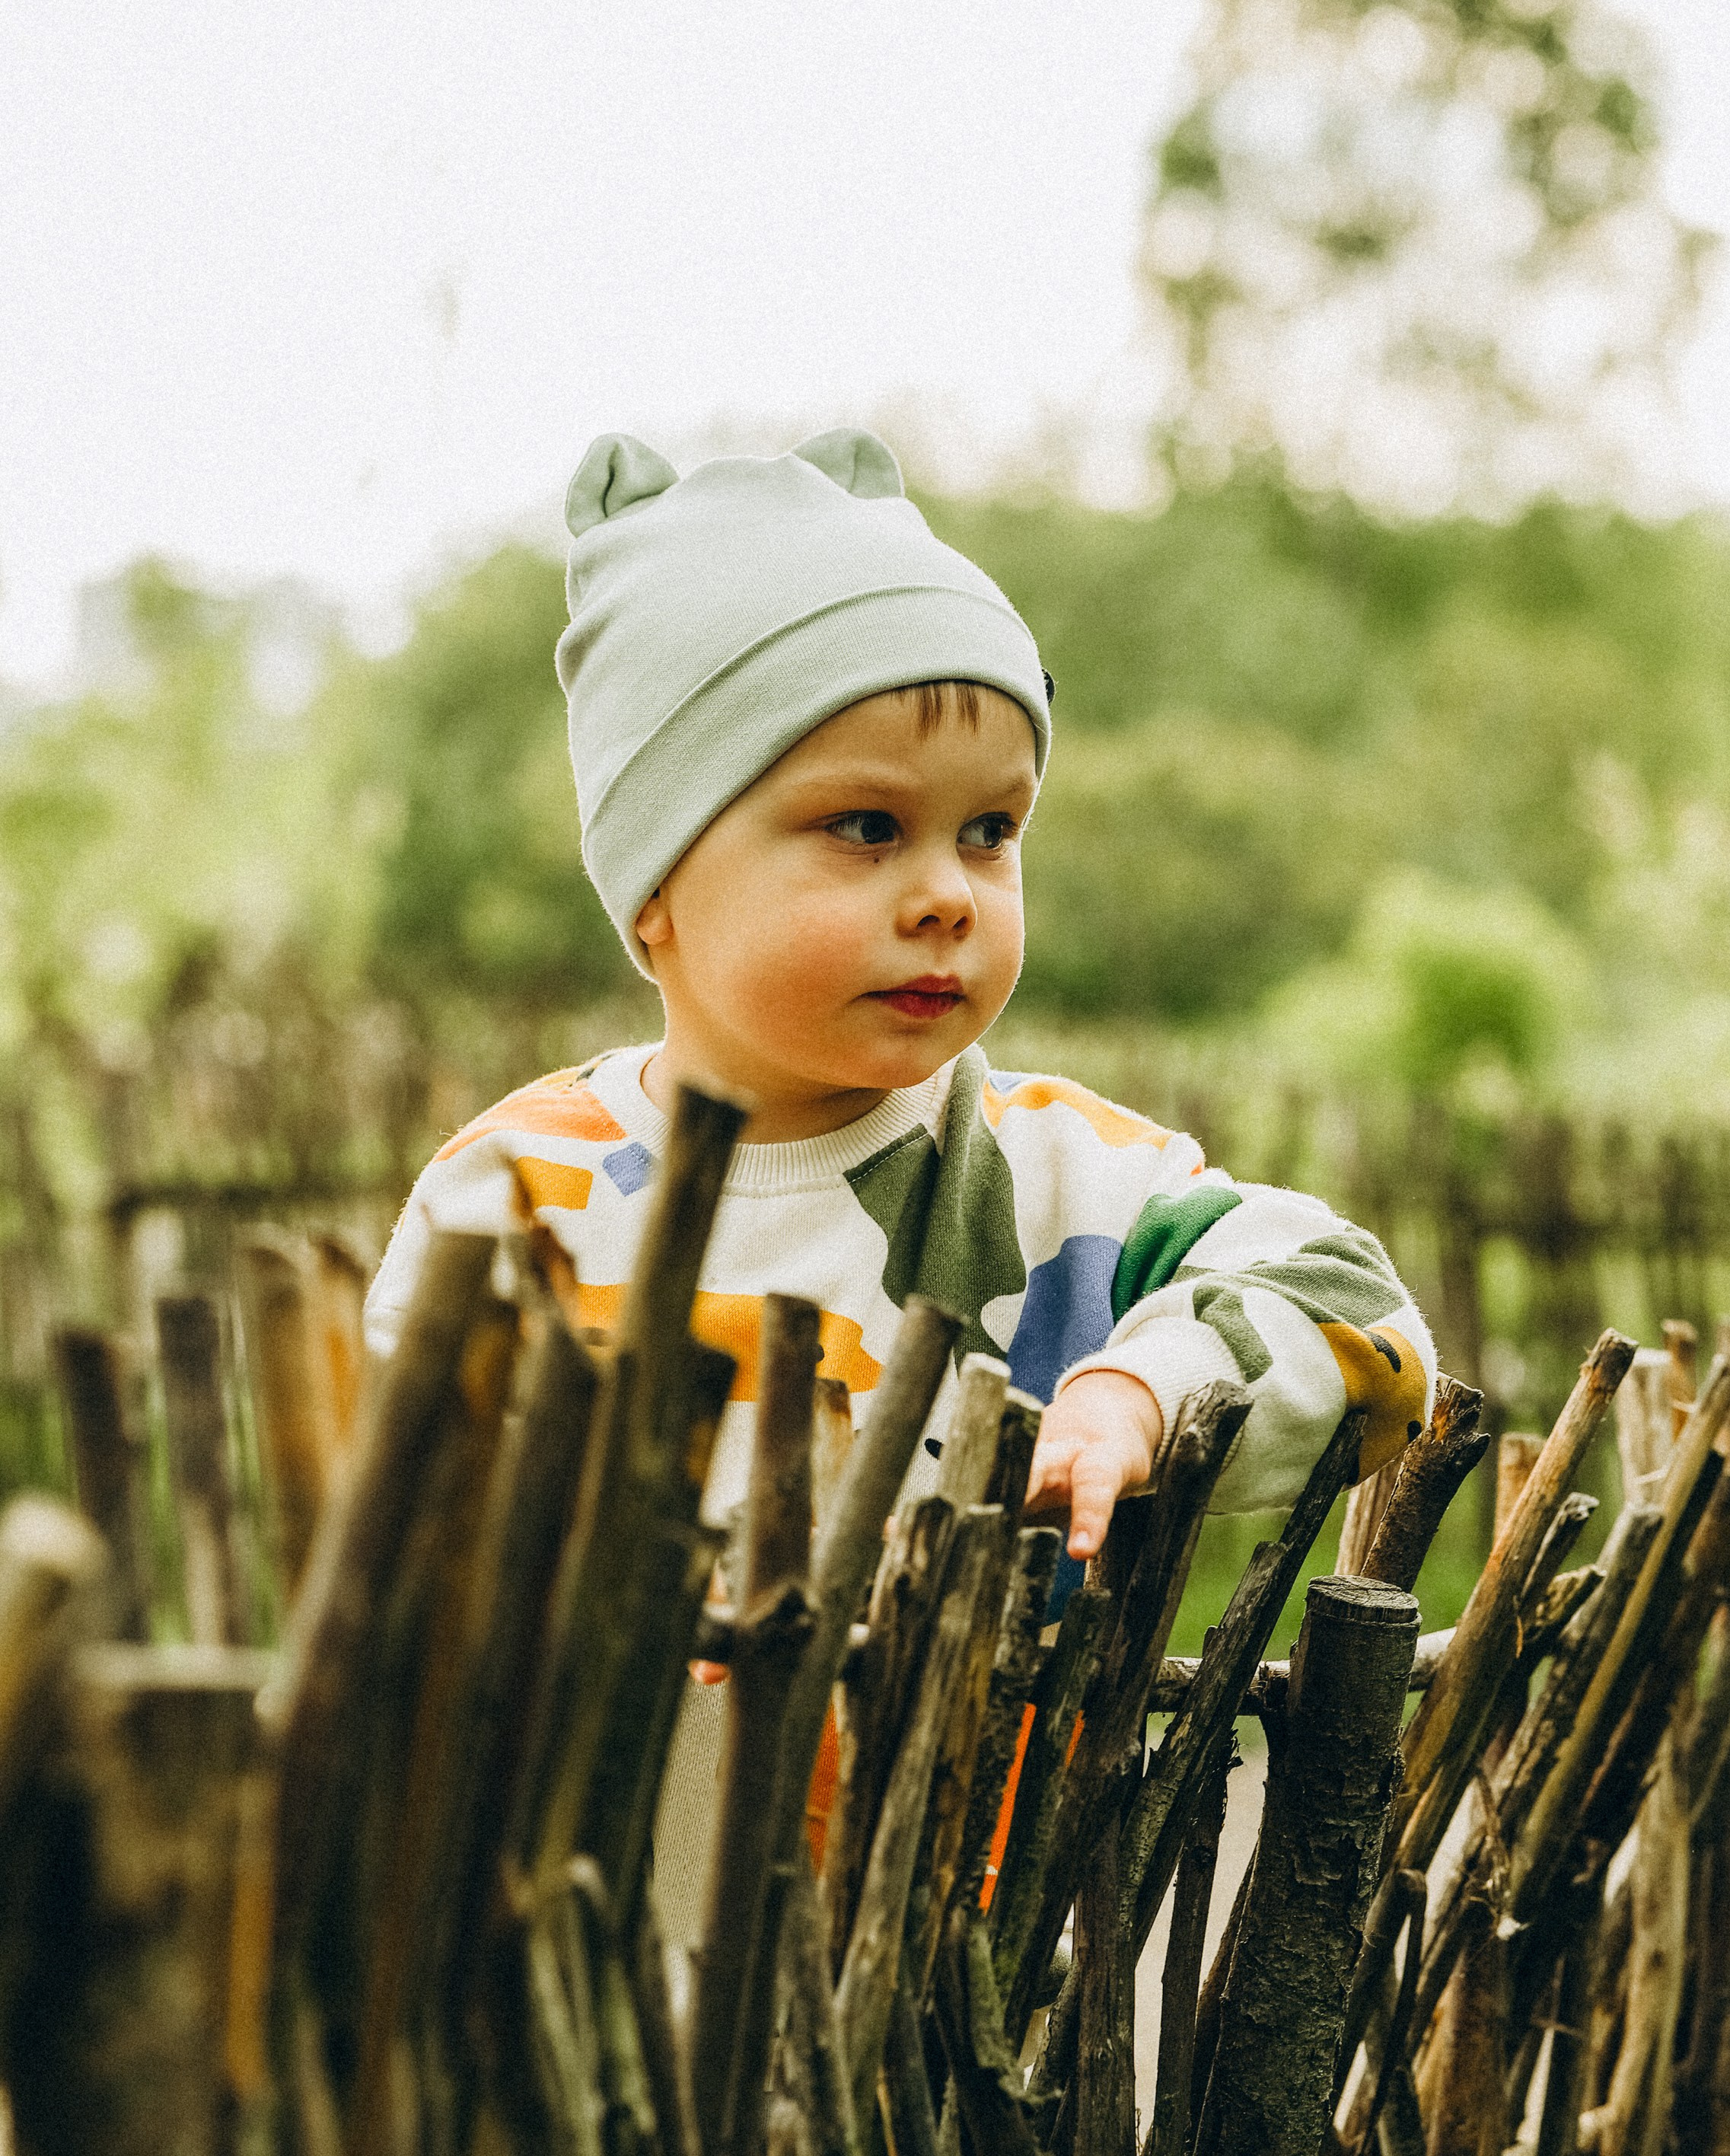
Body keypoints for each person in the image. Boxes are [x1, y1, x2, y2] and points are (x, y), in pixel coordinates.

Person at [362, 429, 1435, 1922]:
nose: (946, 892)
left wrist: (1143, 1386)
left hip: (951, 1969)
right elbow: (399, 1575)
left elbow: (1361, 1314)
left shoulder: (1059, 1182)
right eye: (866, 828)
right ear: (657, 881)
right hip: (564, 1942)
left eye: (990, 832)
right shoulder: (512, 1198)